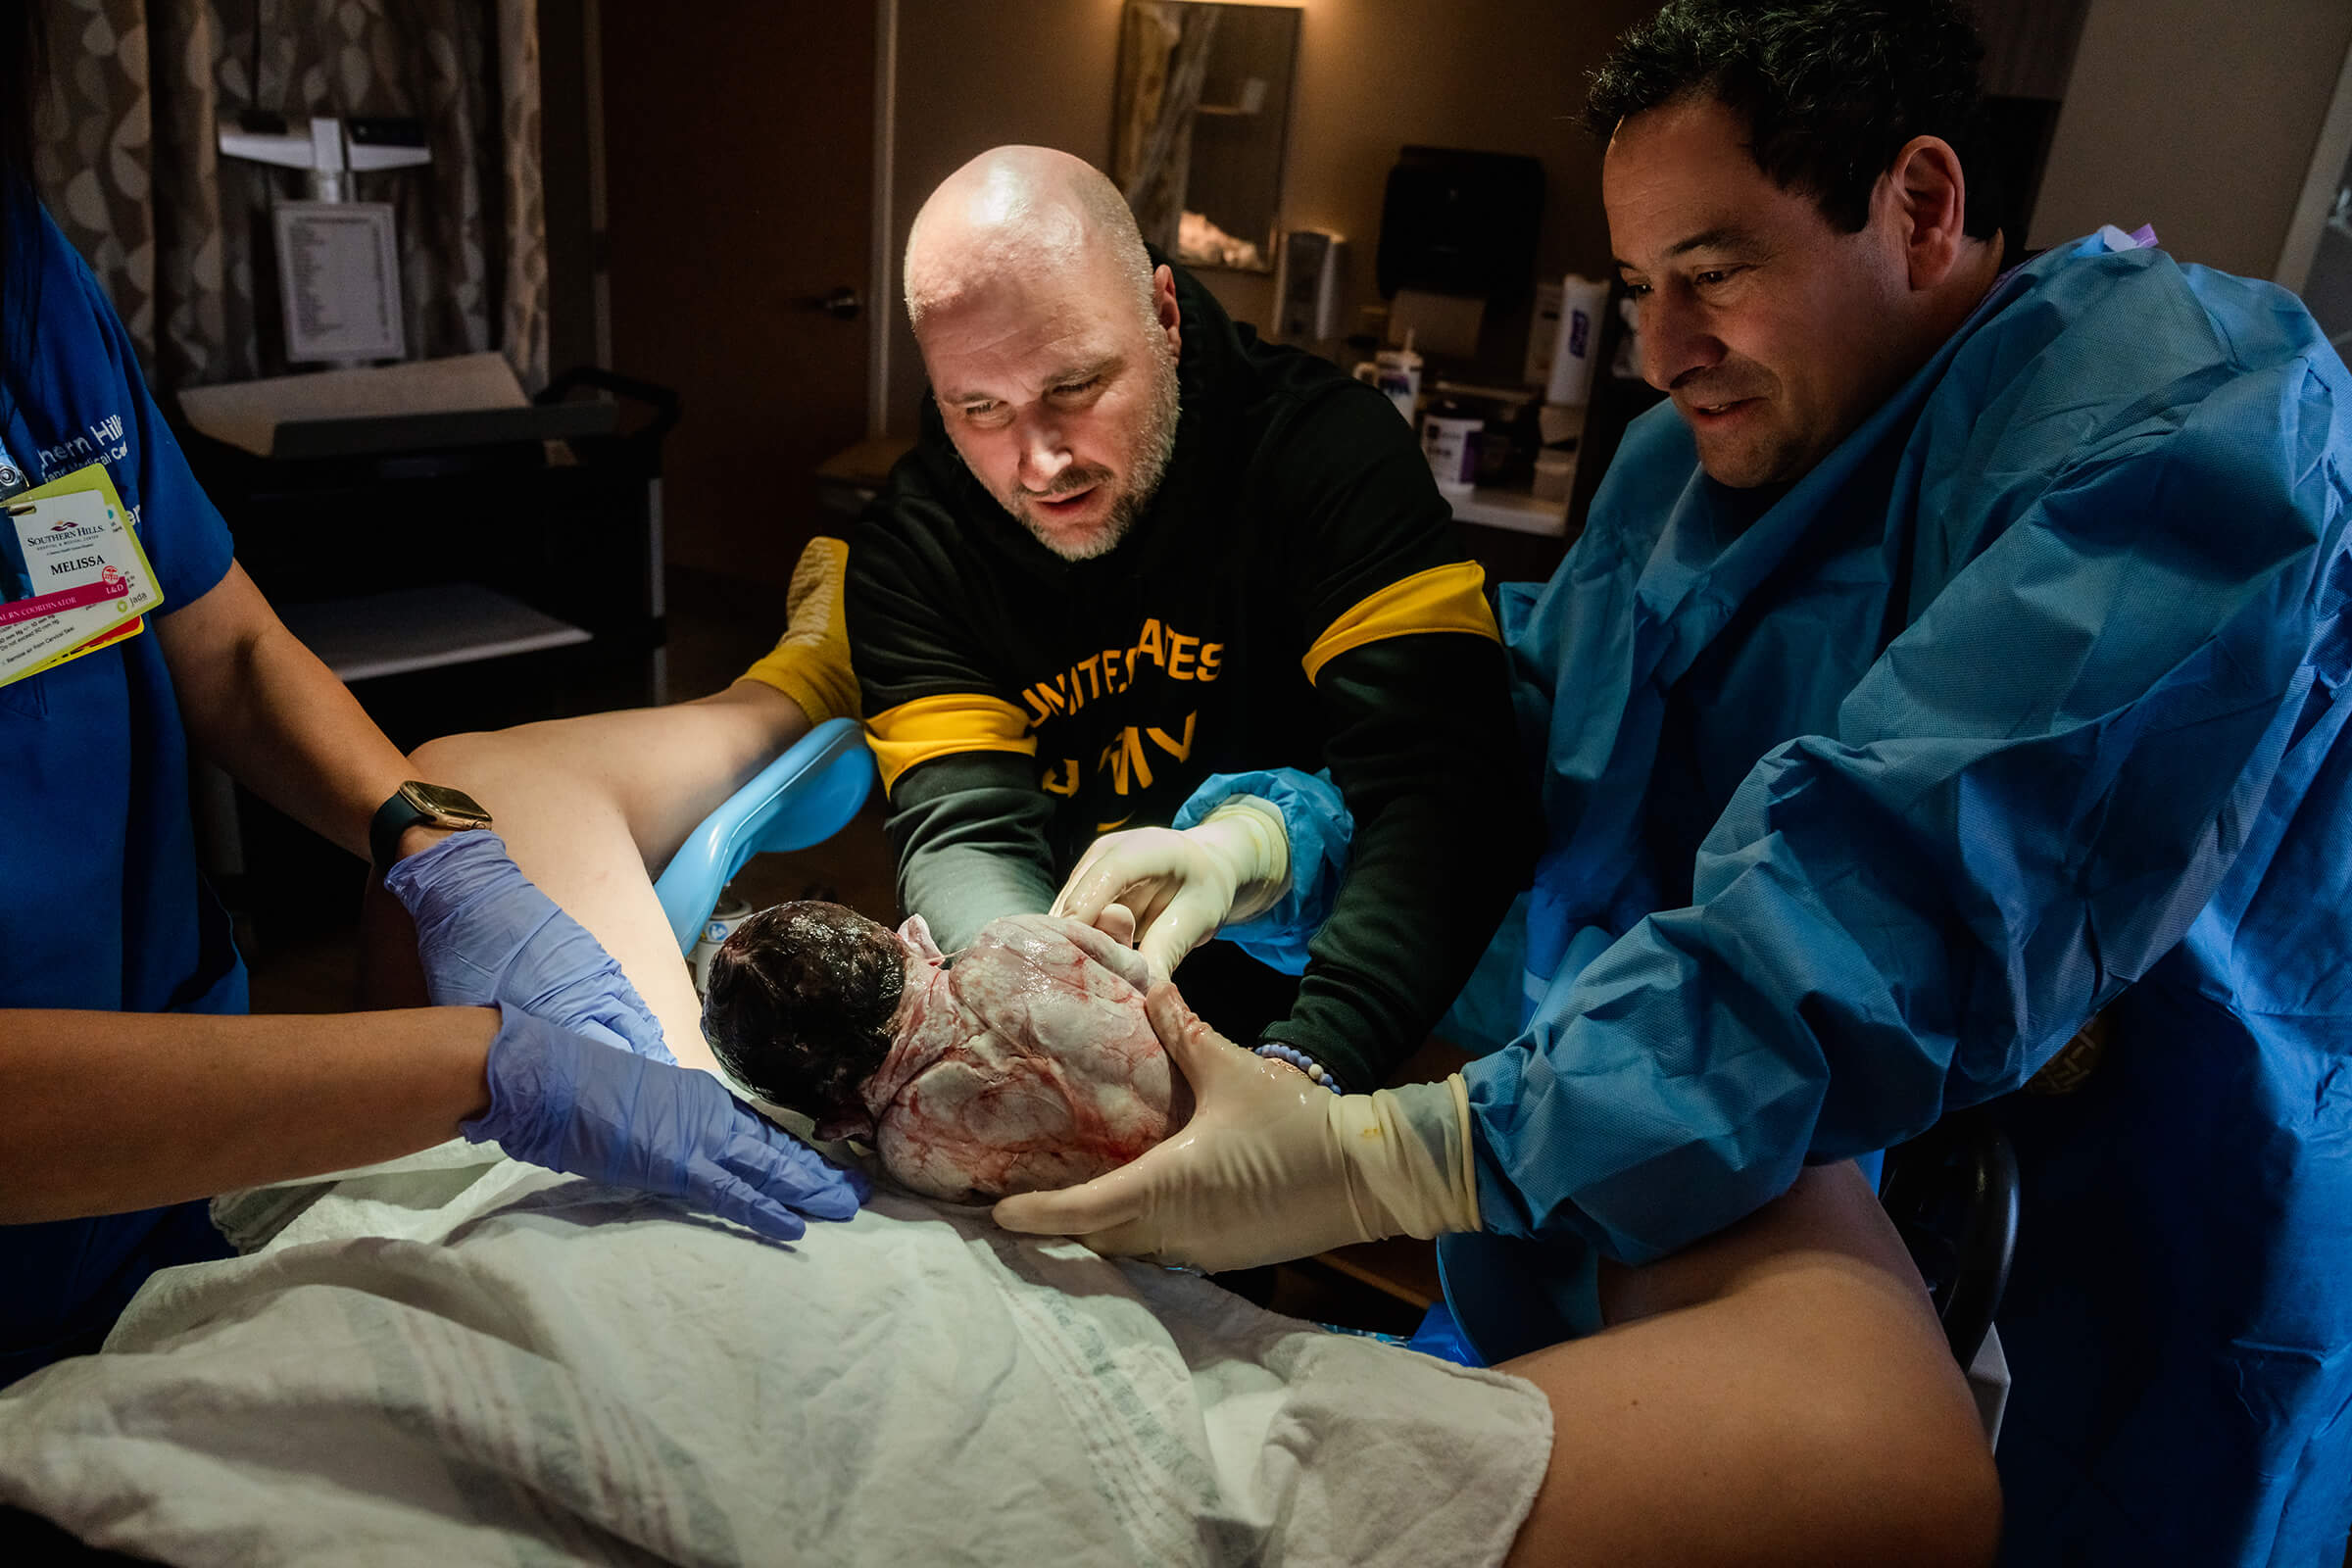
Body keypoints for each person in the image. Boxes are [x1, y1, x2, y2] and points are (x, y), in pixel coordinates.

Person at [997, 4, 2352, 1564]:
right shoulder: (1684, 472)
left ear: (1917, 207)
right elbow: (1528, 753)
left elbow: (1905, 895)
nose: (1656, 351)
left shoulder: (2186, 417)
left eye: (1713, 276)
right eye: (1638, 289)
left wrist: (1410, 1155)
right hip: (1691, 1183)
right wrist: (1274, 838)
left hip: (2141, 1212)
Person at [0, 8, 860, 1390]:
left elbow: (212, 644)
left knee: (473, 774)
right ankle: (786, 688)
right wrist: (479, 1067)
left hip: (167, 1196)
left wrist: (437, 849)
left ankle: (782, 690)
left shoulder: (23, 277)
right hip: (44, 1224)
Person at [839, 145, 1539, 1097]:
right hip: (1078, 964)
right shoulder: (916, 549)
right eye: (980, 409)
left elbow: (1445, 785)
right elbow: (965, 833)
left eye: (1075, 386)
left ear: (1165, 314)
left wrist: (1305, 1073)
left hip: (1331, 974)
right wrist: (1057, 1015)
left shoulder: (1329, 452)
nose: (1040, 460)